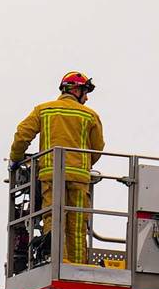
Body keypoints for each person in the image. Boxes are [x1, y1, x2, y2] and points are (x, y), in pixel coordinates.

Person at [9, 71, 105, 264]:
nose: (86, 98)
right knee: (77, 226)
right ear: (75, 89)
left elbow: (22, 135)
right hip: (79, 179)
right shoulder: (90, 115)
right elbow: (98, 147)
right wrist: (83, 164)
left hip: (51, 176)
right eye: (85, 92)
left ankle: (56, 261)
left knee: (54, 218)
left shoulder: (43, 110)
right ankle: (77, 267)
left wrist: (15, 159)